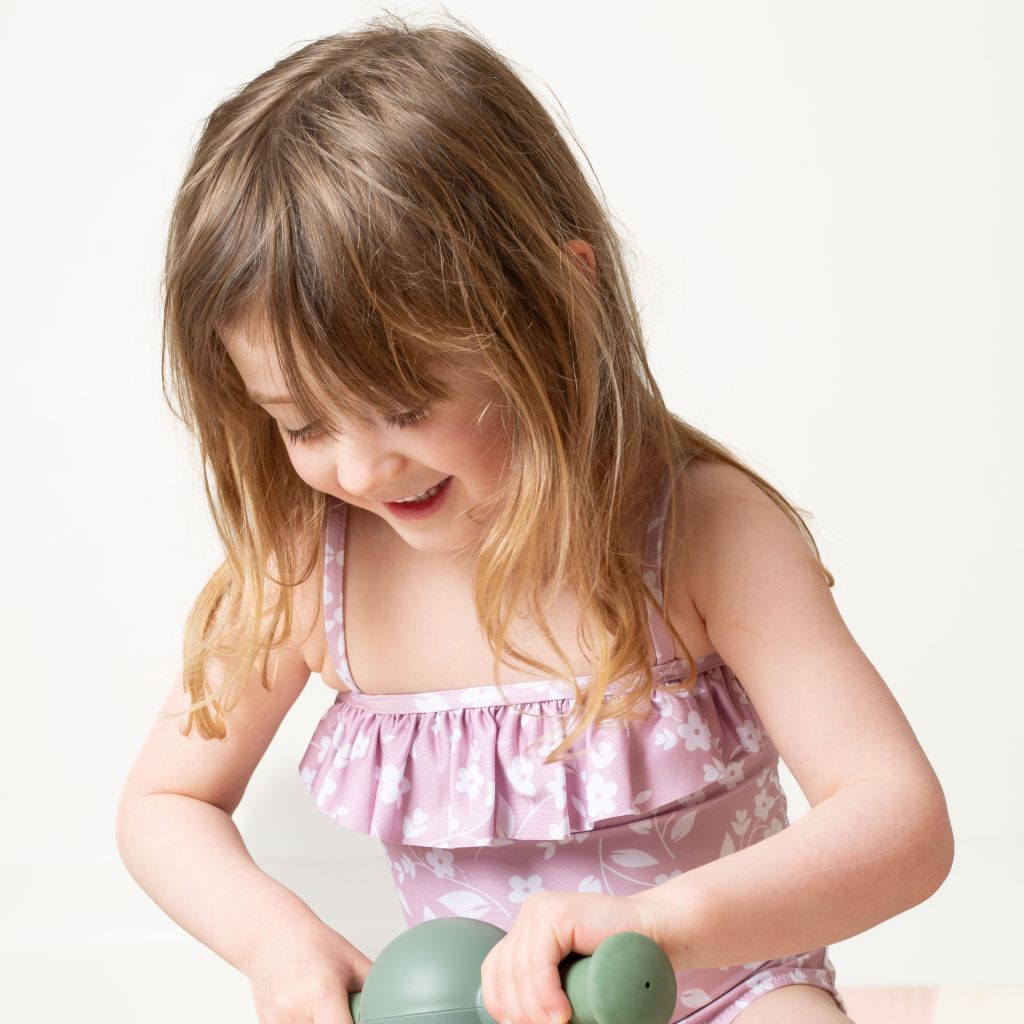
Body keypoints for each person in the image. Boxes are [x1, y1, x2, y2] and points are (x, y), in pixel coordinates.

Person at [115, 12, 954, 1024]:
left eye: (401, 404)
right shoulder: (314, 569)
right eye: (300, 422)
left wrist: (664, 923)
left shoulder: (701, 535)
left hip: (727, 993)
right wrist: (274, 941)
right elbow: (164, 803)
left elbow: (900, 818)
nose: (357, 464)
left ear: (555, 299)